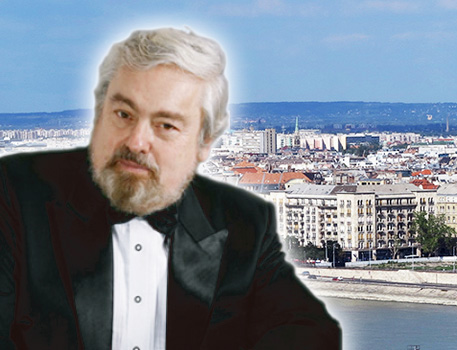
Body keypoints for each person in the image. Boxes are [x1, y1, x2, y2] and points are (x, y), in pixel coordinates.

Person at [0, 27, 340, 349]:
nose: (137, 142)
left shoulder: (243, 221)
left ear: (203, 142)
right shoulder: (15, 194)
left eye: (165, 125)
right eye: (123, 114)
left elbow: (310, 331)